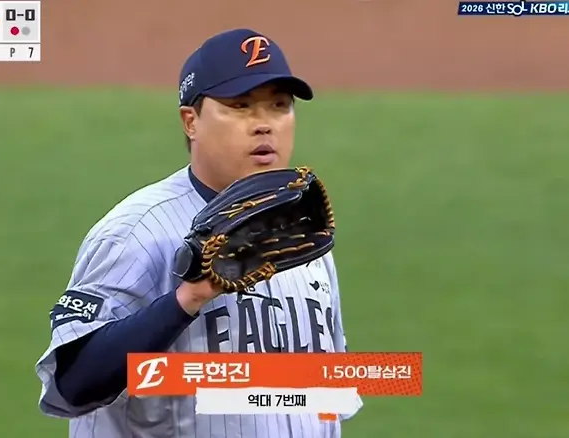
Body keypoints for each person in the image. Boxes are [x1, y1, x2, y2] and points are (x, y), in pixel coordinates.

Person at [35, 28, 363, 437]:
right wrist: (187, 298)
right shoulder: (135, 233)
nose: (264, 125)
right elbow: (72, 385)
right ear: (191, 122)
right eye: (240, 106)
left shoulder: (302, 231)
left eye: (279, 106)